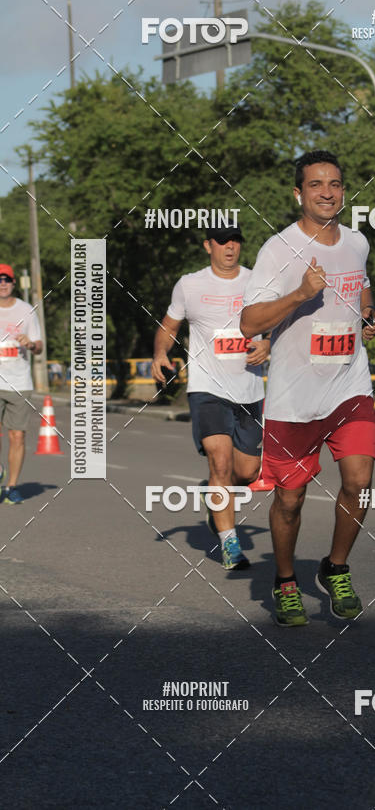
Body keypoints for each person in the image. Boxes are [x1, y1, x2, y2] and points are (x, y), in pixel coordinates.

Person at [241, 150, 375, 626]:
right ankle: (285, 581)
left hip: (349, 384)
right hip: (295, 396)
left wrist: (368, 313)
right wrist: (301, 293)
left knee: (359, 482)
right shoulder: (278, 249)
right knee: (290, 499)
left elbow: (361, 286)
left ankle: (335, 568)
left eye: (335, 184)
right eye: (316, 184)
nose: (327, 192)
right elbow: (249, 322)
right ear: (298, 193)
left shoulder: (357, 242)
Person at [151, 225, 270, 570]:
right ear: (208, 246)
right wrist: (161, 352)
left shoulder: (258, 282)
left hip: (249, 390)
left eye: (235, 241)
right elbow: (169, 326)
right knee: (219, 462)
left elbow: (280, 321)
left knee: (246, 472)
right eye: (222, 241)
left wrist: (268, 343)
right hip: (207, 389)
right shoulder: (190, 285)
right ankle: (230, 544)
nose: (230, 247)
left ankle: (214, 498)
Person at [0, 264, 43, 504]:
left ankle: (11, 487)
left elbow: (39, 346)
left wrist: (31, 344)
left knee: (17, 436)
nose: (2, 283)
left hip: (19, 381)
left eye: (6, 279)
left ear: (13, 283)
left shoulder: (26, 310)